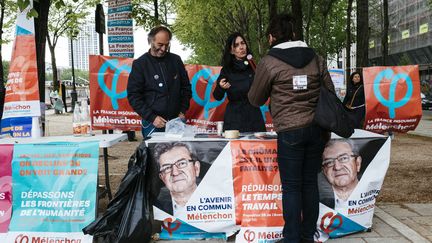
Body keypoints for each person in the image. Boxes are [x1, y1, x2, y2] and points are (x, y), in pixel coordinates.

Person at [248, 14, 335, 243]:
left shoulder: (269, 62)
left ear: (271, 37)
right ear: (295, 34)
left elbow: (255, 99)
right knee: (309, 184)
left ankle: (292, 238)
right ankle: (308, 236)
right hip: (316, 129)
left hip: (289, 131)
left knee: (291, 187)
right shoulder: (316, 58)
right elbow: (330, 92)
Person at [127, 26, 192, 139]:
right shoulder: (140, 64)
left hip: (176, 121)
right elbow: (134, 96)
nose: (163, 49)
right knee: (153, 155)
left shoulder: (176, 60)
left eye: (167, 45)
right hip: (152, 123)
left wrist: (182, 110)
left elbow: (186, 87)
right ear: (150, 41)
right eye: (160, 44)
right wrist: (151, 117)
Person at [212, 32, 266, 133]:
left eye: (243, 43)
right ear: (232, 51)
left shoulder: (254, 66)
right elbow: (217, 96)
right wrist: (221, 87)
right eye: (236, 45)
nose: (241, 47)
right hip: (234, 118)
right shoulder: (227, 70)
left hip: (254, 116)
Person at [153, 142, 200, 216]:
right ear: (162, 178)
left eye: (182, 163)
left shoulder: (218, 197)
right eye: (167, 168)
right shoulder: (154, 207)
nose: (175, 172)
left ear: (196, 168)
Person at [320, 139, 362, 209]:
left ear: (358, 163)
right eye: (329, 162)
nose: (337, 167)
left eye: (344, 158)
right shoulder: (313, 198)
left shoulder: (370, 191)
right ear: (324, 170)